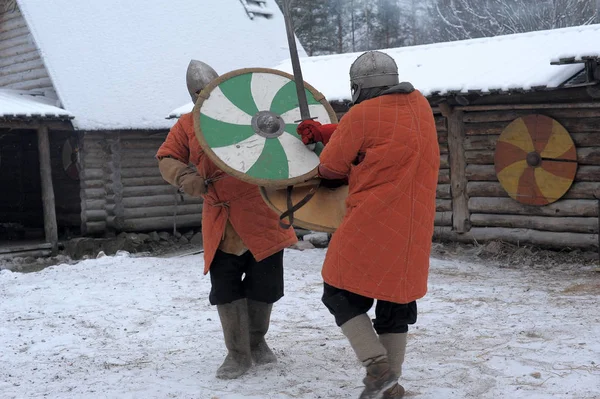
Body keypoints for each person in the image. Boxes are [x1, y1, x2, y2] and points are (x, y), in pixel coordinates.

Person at [297, 51, 440, 399]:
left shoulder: (361, 115)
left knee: (338, 292)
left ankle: (378, 369)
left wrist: (321, 143)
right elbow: (384, 132)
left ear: (358, 87)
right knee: (396, 302)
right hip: (415, 226)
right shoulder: (420, 107)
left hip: (372, 220)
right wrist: (330, 130)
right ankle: (390, 389)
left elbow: (331, 167)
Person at [157, 60, 298, 380]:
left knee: (266, 286)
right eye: (198, 92)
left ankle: (256, 341)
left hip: (263, 211)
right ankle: (237, 353)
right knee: (226, 287)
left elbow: (285, 141)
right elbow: (167, 157)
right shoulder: (187, 125)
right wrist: (183, 175)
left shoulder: (253, 115)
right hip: (220, 217)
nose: (204, 95)